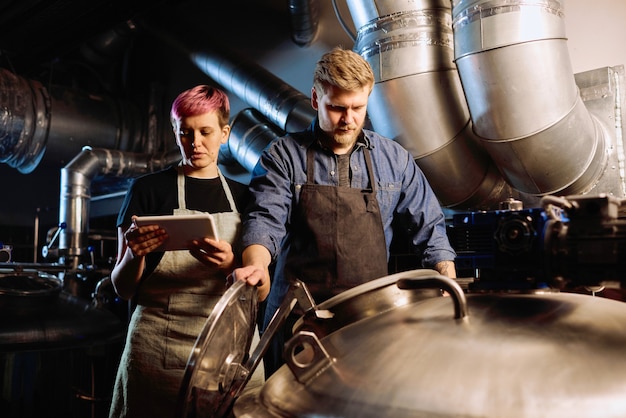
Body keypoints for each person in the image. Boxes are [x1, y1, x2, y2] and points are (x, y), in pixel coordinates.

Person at [232, 46, 457, 377]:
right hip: (299, 324)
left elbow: (431, 229)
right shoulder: (283, 156)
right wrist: (256, 267)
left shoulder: (394, 161)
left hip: (371, 321)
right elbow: (265, 221)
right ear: (314, 100)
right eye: (336, 108)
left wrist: (446, 277)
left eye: (358, 108)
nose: (348, 119)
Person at [108, 85, 251, 417]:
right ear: (175, 133)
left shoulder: (247, 197)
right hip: (158, 349)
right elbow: (123, 287)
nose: (195, 142)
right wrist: (134, 253)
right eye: (185, 133)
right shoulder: (147, 190)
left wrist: (230, 264)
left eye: (205, 132)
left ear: (224, 133)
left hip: (228, 352)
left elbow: (259, 293)